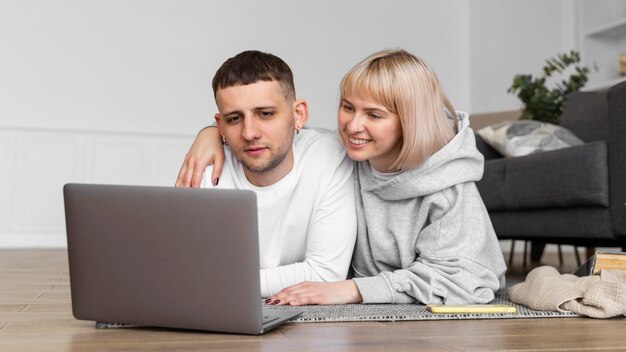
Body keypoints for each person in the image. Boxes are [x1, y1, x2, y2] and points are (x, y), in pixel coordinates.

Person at [178, 49, 507, 306]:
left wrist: (353, 290)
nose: (352, 126)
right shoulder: (348, 156)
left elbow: (466, 282)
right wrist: (211, 134)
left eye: (374, 115)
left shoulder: (446, 184)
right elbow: (271, 137)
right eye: (348, 107)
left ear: (410, 120)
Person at [178, 50, 357, 298]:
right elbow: (186, 273)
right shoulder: (205, 169)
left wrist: (223, 281)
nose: (250, 132)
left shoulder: (330, 157)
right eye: (234, 118)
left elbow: (326, 274)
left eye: (265, 114)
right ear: (220, 127)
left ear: (298, 115)